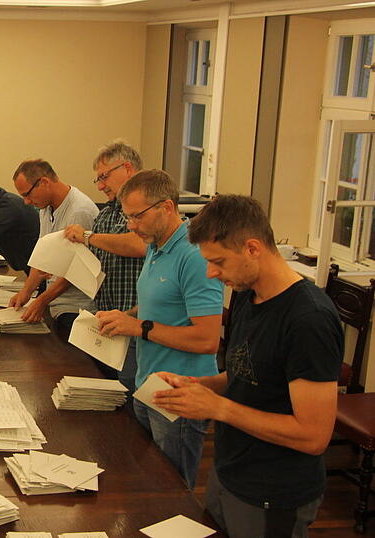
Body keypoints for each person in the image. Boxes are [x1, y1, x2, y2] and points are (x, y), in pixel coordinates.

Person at [152, 195, 342, 537]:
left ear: (252, 248)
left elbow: (314, 436)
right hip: (230, 471)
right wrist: (199, 385)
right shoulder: (246, 292)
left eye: (218, 262)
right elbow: (247, 373)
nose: (211, 273)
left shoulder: (308, 320)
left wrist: (218, 408)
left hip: (273, 490)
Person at [94, 169, 223, 489]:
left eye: (137, 216)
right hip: (147, 381)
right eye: (127, 217)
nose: (131, 225)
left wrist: (139, 326)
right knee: (147, 480)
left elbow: (207, 340)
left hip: (179, 392)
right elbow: (159, 303)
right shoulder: (155, 242)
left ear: (166, 207)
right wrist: (124, 317)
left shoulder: (194, 256)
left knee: (171, 489)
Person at [64, 140, 147, 391]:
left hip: (137, 323)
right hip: (109, 321)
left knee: (134, 394)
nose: (100, 186)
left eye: (104, 177)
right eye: (97, 180)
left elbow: (138, 244)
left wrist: (88, 237)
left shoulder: (146, 207)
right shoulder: (108, 212)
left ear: (127, 169)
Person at [8, 159, 98, 328]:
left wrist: (41, 300)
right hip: (55, 301)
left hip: (76, 308)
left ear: (44, 182)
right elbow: (42, 258)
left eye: (27, 194)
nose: (26, 201)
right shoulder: (45, 207)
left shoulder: (79, 211)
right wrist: (26, 292)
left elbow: (77, 271)